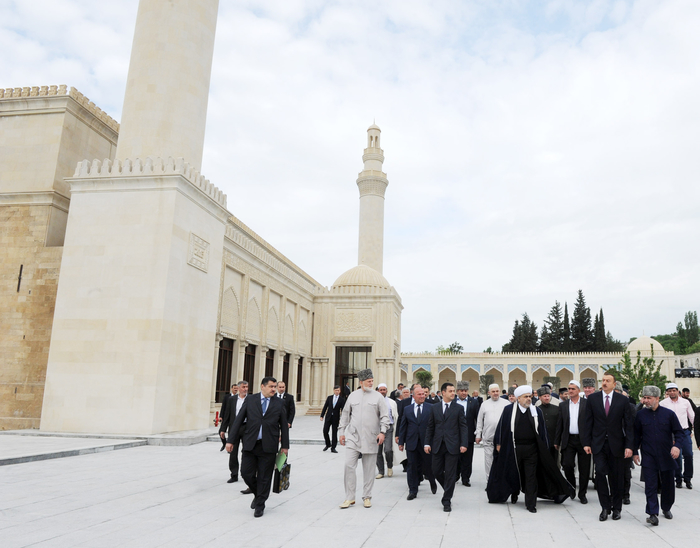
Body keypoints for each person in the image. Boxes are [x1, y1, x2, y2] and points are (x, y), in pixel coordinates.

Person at [488, 385, 573, 513]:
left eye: (530, 396)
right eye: (526, 397)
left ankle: (531, 503)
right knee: (514, 473)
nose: (529, 399)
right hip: (514, 448)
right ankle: (514, 493)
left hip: (531, 449)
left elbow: (542, 432)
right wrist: (499, 444)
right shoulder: (508, 410)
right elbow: (501, 428)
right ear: (518, 398)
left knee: (531, 476)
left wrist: (545, 448)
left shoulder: (536, 411)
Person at [226, 377, 289, 518]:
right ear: (262, 386)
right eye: (271, 386)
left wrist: (285, 446)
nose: (273, 389)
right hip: (250, 443)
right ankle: (258, 493)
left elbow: (284, 426)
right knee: (246, 473)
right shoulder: (251, 400)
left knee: (265, 477)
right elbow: (238, 420)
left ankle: (260, 504)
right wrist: (230, 441)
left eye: (275, 386)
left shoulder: (279, 403)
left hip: (269, 446)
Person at [581, 371, 633, 521]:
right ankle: (605, 507)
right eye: (603, 380)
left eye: (608, 381)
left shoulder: (623, 401)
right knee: (601, 475)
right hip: (598, 445)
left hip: (617, 445)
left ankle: (617, 508)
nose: (604, 383)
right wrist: (586, 443)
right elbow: (587, 422)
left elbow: (629, 426)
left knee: (616, 478)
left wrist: (629, 446)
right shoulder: (593, 399)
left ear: (614, 384)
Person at [338, 368, 390, 509]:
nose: (371, 383)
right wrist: (341, 432)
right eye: (369, 381)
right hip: (353, 437)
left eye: (372, 381)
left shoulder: (378, 397)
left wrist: (382, 432)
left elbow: (385, 417)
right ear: (361, 382)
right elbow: (345, 415)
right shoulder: (353, 396)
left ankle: (367, 496)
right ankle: (350, 498)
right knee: (349, 466)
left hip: (371, 437)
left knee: (368, 469)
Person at [633, 385, 683, 526]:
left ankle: (666, 508)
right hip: (649, 455)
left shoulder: (668, 414)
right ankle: (652, 513)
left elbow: (679, 433)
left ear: (657, 398)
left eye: (649, 398)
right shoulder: (640, 415)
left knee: (668, 485)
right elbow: (636, 435)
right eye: (644, 398)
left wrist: (676, 446)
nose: (646, 401)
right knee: (650, 485)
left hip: (667, 455)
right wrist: (635, 452)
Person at [424, 382, 468, 512]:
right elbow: (430, 427)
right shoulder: (434, 408)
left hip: (452, 445)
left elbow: (463, 427)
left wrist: (464, 443)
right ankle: (448, 488)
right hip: (437, 445)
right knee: (436, 470)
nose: (453, 393)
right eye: (451, 391)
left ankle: (446, 500)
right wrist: (427, 443)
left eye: (454, 391)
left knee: (450, 473)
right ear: (443, 392)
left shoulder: (458, 408)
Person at [555, 380, 590, 504]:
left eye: (573, 389)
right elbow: (560, 424)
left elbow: (591, 423)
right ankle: (572, 487)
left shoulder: (587, 404)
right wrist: (557, 441)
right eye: (569, 389)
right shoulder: (563, 405)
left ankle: (582, 494)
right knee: (567, 465)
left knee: (584, 468)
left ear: (578, 391)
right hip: (568, 440)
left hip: (583, 441)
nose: (570, 391)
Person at [398, 386, 437, 499]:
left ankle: (432, 481)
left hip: (426, 443)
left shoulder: (431, 408)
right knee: (412, 466)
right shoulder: (407, 409)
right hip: (411, 442)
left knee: (428, 465)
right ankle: (413, 490)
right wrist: (401, 441)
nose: (422, 396)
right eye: (419, 394)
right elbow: (403, 426)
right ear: (413, 396)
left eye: (423, 394)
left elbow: (434, 426)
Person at [659, 382, 695, 489]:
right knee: (676, 456)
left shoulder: (685, 402)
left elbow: (692, 416)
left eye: (674, 390)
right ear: (667, 392)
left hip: (684, 432)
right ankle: (678, 478)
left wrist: (693, 429)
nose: (672, 392)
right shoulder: (663, 403)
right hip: (671, 433)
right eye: (670, 391)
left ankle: (688, 478)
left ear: (678, 391)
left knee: (688, 454)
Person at [475, 383, 509, 479]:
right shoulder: (484, 404)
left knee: (502, 459)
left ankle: (501, 480)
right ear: (489, 392)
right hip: (488, 437)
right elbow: (479, 421)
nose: (495, 393)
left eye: (497, 391)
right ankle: (489, 481)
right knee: (489, 460)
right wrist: (478, 434)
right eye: (493, 391)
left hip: (502, 438)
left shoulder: (506, 404)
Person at [219, 380, 248, 483]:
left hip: (246, 428)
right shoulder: (232, 400)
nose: (245, 389)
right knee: (232, 451)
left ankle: (246, 473)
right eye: (243, 387)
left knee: (246, 452)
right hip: (234, 428)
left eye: (247, 387)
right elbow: (227, 415)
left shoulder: (251, 399)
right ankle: (234, 474)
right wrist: (223, 429)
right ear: (239, 388)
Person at [454, 380, 480, 486]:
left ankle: (466, 478)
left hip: (468, 434)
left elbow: (477, 418)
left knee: (467, 457)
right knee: (455, 456)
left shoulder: (473, 402)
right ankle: (455, 476)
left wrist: (478, 433)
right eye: (461, 391)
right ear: (457, 391)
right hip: (455, 434)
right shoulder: (453, 402)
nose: (464, 393)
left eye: (465, 391)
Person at [376, 383, 401, 479]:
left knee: (388, 450)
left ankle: (389, 466)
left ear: (386, 391)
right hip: (377, 429)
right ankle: (381, 471)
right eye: (380, 390)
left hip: (389, 428)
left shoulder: (392, 402)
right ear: (378, 391)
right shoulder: (374, 402)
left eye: (384, 390)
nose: (382, 391)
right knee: (378, 451)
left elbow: (396, 416)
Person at [536, 386, 560, 463]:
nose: (547, 398)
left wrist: (557, 441)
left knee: (554, 461)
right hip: (542, 442)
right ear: (540, 397)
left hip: (554, 441)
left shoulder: (557, 409)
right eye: (544, 396)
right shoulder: (536, 410)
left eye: (548, 396)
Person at [320, 386, 345, 453]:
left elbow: (343, 410)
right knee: (325, 431)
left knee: (334, 433)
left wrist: (342, 419)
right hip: (328, 417)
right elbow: (325, 407)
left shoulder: (341, 400)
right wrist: (322, 415)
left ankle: (333, 448)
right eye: (336, 390)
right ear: (334, 390)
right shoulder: (329, 398)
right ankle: (328, 444)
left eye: (338, 390)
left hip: (336, 418)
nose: (337, 391)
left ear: (340, 391)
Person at [218, 384, 238, 451]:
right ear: (231, 389)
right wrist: (221, 416)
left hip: (234, 418)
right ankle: (224, 443)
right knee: (221, 431)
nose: (235, 389)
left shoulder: (238, 397)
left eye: (236, 388)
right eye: (234, 388)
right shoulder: (227, 397)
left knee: (231, 432)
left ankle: (230, 447)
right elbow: (223, 407)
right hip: (226, 417)